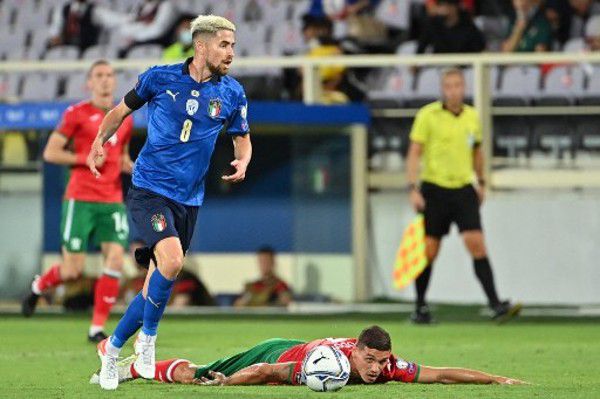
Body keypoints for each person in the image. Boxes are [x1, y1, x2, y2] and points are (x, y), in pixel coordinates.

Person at [89, 15, 252, 390]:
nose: (230, 53)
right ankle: (147, 340)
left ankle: (111, 350)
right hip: (149, 190)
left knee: (155, 283)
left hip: (189, 199)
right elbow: (119, 112)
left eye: (233, 46)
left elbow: (242, 137)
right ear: (201, 46)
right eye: (224, 45)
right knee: (174, 260)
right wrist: (101, 140)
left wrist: (242, 160)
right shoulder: (158, 78)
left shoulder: (232, 93)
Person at [21, 60, 134, 343]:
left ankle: (96, 328)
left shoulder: (126, 117)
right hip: (80, 198)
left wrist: (135, 168)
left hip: (112, 199)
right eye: (99, 76)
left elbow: (122, 157)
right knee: (73, 270)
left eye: (109, 75)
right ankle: (39, 286)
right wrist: (82, 159)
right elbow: (50, 152)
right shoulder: (77, 114)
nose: (106, 80)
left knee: (117, 260)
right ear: (89, 83)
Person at [405, 68, 521, 324]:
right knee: (429, 251)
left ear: (464, 88)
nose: (454, 90)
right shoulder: (427, 115)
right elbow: (414, 152)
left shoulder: (471, 117)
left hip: (463, 189)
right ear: (442, 89)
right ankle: (420, 307)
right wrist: (412, 188)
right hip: (434, 189)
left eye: (458, 85)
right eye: (449, 86)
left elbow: (477, 152)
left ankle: (495, 304)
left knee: (476, 243)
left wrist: (481, 181)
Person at [90, 325, 526, 386]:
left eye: (381, 361)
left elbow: (441, 374)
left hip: (283, 357)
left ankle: (131, 363)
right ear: (353, 353)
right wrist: (228, 385)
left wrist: (497, 379)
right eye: (369, 359)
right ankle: (131, 365)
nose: (376, 368)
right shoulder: (323, 362)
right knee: (202, 375)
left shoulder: (388, 366)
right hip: (277, 350)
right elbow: (267, 370)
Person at [417, 0, 486, 54]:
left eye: (444, 5)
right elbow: (421, 48)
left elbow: (480, 48)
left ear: (454, 7)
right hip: (439, 66)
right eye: (440, 5)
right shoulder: (433, 24)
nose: (440, 10)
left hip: (464, 67)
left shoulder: (467, 24)